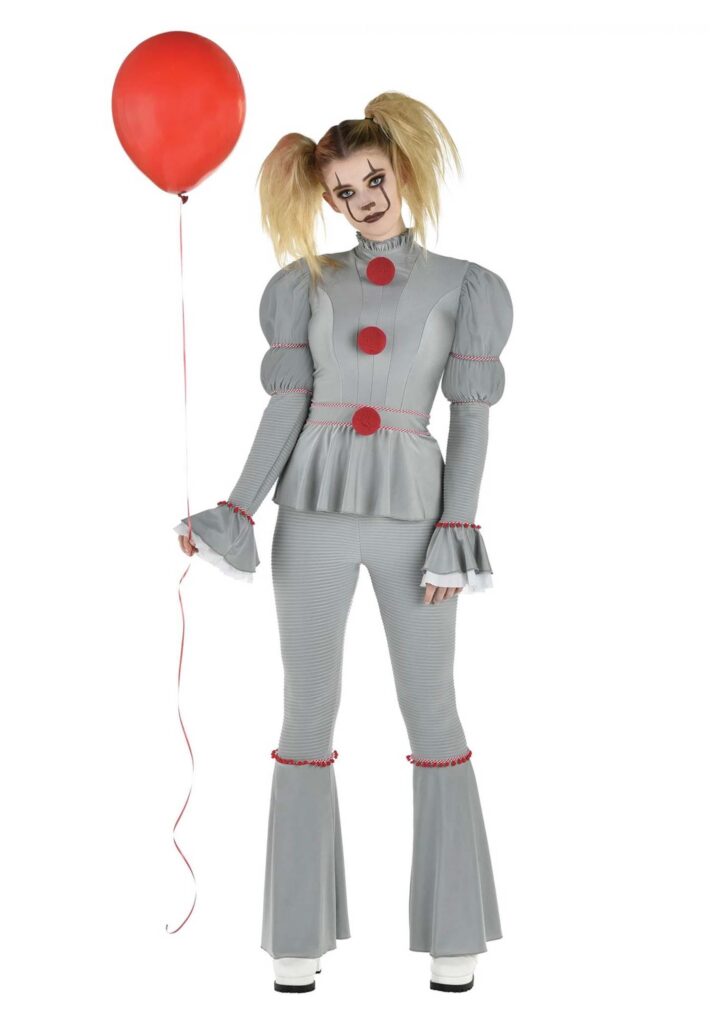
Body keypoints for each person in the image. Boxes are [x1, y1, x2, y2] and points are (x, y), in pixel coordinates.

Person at [174, 91, 513, 994]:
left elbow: (471, 419)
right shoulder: (304, 286)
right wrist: (235, 512)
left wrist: (457, 530)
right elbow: (285, 408)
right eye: (343, 190)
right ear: (325, 199)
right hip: (313, 516)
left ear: (403, 171)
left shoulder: (465, 286)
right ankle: (298, 937)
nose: (362, 199)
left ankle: (453, 936)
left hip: (415, 522)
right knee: (306, 712)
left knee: (432, 712)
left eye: (373, 178)